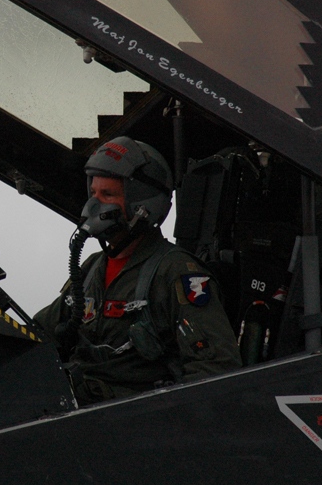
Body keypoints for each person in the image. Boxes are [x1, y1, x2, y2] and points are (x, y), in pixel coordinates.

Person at [35, 137, 241, 404]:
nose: (94, 207)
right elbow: (37, 334)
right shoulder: (91, 269)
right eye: (93, 194)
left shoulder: (176, 273)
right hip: (76, 407)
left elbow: (217, 369)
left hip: (128, 424)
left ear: (142, 207)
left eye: (107, 195)